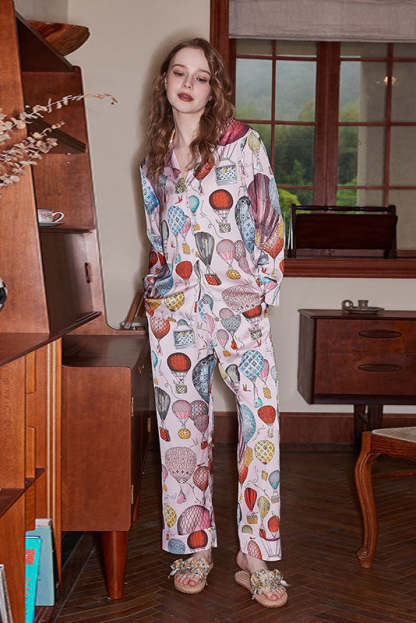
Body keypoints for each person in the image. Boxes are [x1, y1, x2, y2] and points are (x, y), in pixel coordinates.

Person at [139, 38, 287, 608]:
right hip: (175, 313)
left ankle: (257, 557)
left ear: (212, 88)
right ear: (165, 82)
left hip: (237, 309)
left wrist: (260, 294)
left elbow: (270, 222)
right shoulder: (152, 161)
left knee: (260, 423)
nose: (188, 84)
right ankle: (194, 546)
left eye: (200, 77)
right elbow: (158, 241)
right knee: (181, 432)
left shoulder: (242, 145)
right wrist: (158, 297)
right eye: (179, 73)